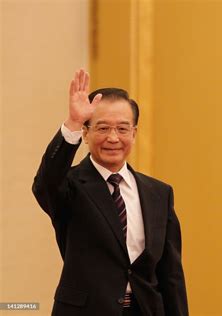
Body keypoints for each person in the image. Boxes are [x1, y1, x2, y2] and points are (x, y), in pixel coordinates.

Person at [32, 69, 188, 316]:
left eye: (123, 129)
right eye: (102, 128)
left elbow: (171, 274)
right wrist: (72, 122)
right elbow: (45, 183)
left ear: (134, 134)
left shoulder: (159, 193)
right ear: (85, 133)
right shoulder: (70, 185)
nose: (113, 138)